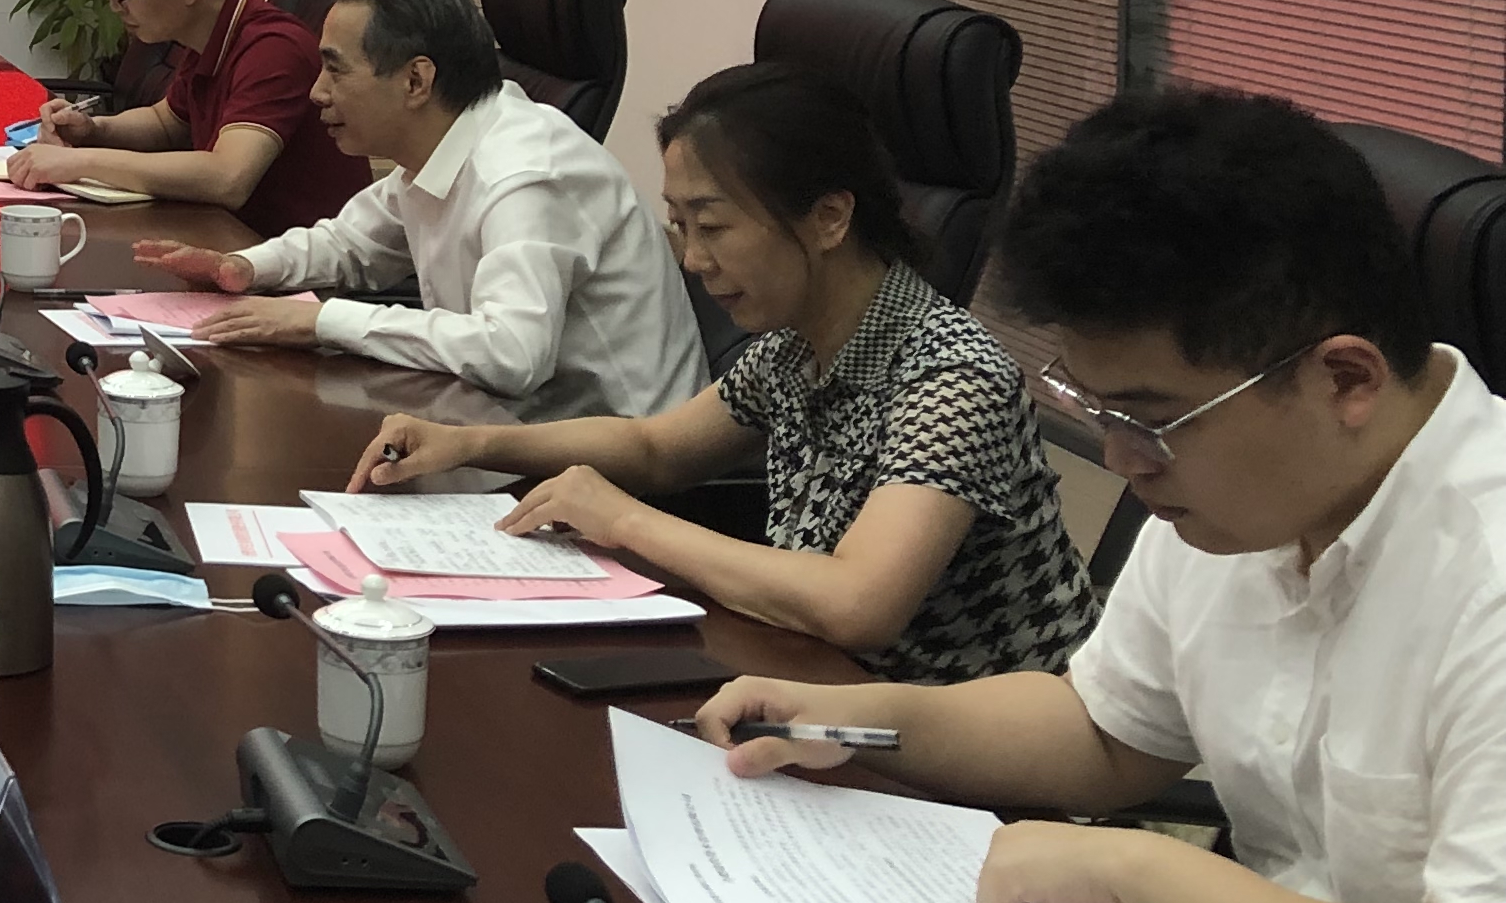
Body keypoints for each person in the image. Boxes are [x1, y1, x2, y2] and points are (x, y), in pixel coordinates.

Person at [705, 89, 1506, 903]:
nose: (1124, 462)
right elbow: (1106, 729)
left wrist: (1140, 873)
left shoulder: (1483, 571)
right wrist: (868, 722)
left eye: (1152, 422)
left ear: (1345, 379)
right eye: (1098, 411)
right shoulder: (1247, 502)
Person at [349, 62, 1095, 678]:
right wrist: (472, 443)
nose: (694, 260)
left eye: (712, 226)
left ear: (830, 218)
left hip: (972, 741)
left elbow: (859, 605)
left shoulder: (953, 377)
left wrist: (626, 520)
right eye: (681, 226)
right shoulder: (794, 346)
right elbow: (657, 448)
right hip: (817, 686)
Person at [139, 0, 698, 419]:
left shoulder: (524, 176)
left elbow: (512, 353)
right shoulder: (445, 144)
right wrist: (243, 267)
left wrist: (322, 322)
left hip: (623, 463)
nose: (316, 92)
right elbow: (349, 243)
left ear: (415, 81)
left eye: (336, 71)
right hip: (509, 426)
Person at [10, 0, 363, 231]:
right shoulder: (212, 32)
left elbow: (228, 178)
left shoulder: (273, 48)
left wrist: (79, 162)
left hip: (296, 259)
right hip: (231, 237)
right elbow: (166, 123)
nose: (115, 6)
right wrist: (93, 130)